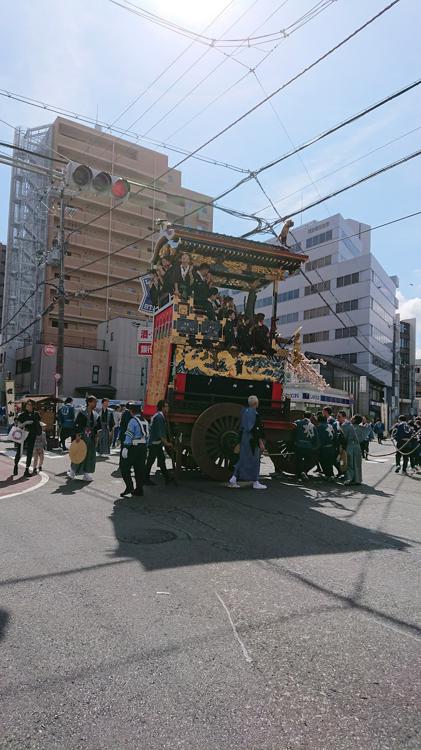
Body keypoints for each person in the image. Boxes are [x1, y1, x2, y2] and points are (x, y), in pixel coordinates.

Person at [229, 395, 267, 490]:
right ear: (256, 403)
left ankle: (233, 478)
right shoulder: (255, 414)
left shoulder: (244, 412)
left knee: (242, 459)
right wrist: (261, 442)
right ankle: (255, 481)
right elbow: (256, 430)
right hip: (252, 440)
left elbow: (241, 428)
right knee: (255, 460)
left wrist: (239, 441)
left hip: (244, 438)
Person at [68, 396, 100, 482]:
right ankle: (72, 471)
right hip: (82, 436)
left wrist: (97, 435)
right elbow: (77, 424)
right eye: (94, 402)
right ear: (89, 402)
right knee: (79, 453)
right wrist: (77, 435)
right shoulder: (82, 412)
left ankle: (87, 474)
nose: (96, 404)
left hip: (91, 436)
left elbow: (97, 426)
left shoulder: (95, 414)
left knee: (90, 455)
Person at [120, 403, 150, 498]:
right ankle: (139, 489)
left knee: (124, 467)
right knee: (139, 468)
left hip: (133, 447)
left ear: (131, 411)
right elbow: (148, 436)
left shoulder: (132, 421)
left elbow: (129, 435)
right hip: (143, 447)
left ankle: (129, 486)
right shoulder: (145, 421)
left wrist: (125, 447)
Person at [144, 400, 173, 485]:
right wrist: (167, 443)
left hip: (156, 443)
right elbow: (161, 433)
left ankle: (167, 477)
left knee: (160, 460)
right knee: (151, 461)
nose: (168, 408)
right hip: (154, 443)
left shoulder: (158, 415)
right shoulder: (159, 417)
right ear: (163, 407)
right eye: (166, 406)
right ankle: (145, 478)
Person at [13, 399, 41, 478]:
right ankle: (15, 465)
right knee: (19, 451)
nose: (27, 406)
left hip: (32, 435)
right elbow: (18, 426)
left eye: (29, 404)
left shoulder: (36, 414)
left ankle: (27, 470)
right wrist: (26, 423)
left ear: (33, 406)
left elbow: (38, 423)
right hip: (23, 435)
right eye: (27, 404)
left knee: (29, 452)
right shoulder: (22, 415)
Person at [337, 410, 362, 485]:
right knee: (356, 463)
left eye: (339, 416)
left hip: (350, 446)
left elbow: (343, 438)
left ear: (344, 417)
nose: (337, 418)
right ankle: (357, 479)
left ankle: (349, 479)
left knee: (349, 463)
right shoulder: (351, 425)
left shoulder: (345, 425)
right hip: (356, 447)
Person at [294, 411, 319, 480]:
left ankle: (298, 475)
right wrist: (315, 446)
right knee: (308, 460)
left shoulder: (298, 422)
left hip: (299, 444)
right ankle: (304, 471)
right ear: (310, 417)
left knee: (298, 460)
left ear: (303, 416)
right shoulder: (313, 426)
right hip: (308, 446)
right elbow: (315, 437)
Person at [317, 412, 336, 479]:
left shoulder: (320, 427)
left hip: (324, 448)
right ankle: (331, 475)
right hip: (332, 447)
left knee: (323, 461)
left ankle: (328, 475)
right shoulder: (330, 426)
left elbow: (320, 438)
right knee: (329, 463)